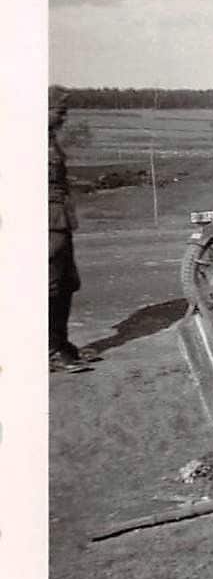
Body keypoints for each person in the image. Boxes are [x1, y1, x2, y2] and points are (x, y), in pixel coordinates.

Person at [48, 85, 91, 372]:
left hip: (60, 220)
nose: (64, 118)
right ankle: (50, 351)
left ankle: (61, 345)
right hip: (43, 223)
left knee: (66, 283)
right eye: (59, 112)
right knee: (48, 286)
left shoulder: (49, 139)